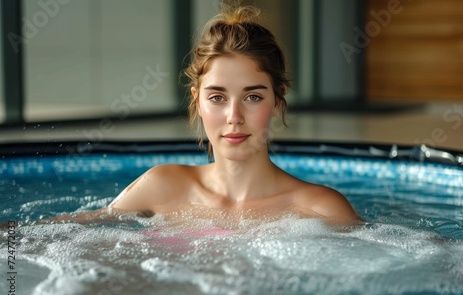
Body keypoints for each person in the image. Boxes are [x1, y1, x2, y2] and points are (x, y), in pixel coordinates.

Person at [33, 5, 361, 228]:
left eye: (252, 97)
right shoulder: (161, 186)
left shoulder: (320, 210)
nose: (234, 116)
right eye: (217, 97)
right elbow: (56, 237)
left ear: (277, 101)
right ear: (197, 101)